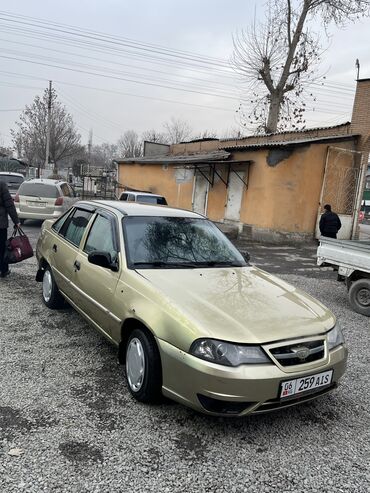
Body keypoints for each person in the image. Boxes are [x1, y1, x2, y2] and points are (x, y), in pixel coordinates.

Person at [0, 180, 20, 278]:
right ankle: (3, 270)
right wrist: (16, 221)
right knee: (2, 247)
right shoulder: (1, 185)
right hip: (1, 224)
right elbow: (9, 205)